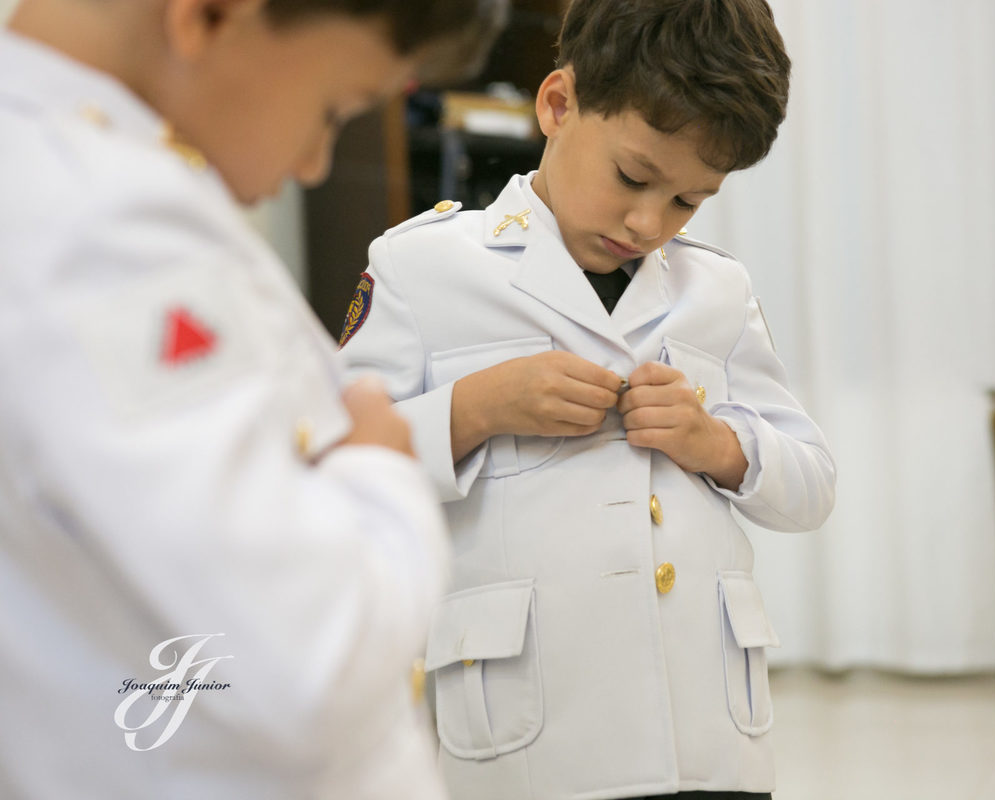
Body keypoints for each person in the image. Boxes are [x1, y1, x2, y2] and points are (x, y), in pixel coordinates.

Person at [0, 0, 505, 798]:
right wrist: (380, 470)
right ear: (210, 14)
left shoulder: (71, 174)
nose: (313, 164)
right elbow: (313, 660)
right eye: (334, 109)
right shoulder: (101, 230)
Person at [336, 1, 837, 798]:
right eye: (633, 177)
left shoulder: (719, 291)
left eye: (687, 201)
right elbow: (334, 474)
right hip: (532, 741)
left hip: (707, 737)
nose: (648, 223)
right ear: (559, 106)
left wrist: (718, 444)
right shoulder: (422, 269)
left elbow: (811, 484)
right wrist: (476, 408)